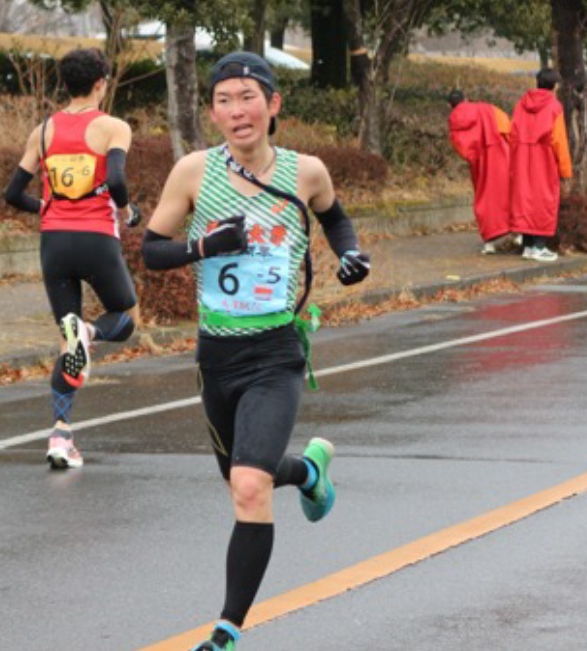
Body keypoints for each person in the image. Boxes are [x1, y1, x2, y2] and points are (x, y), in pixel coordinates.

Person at [141, 52, 370, 650]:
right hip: (216, 357)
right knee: (247, 478)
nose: (237, 110)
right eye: (224, 100)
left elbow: (336, 221)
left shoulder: (307, 172)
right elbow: (150, 250)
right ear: (212, 112)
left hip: (275, 354)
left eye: (248, 97)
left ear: (272, 105)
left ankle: (226, 631)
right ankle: (311, 472)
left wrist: (350, 255)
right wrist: (203, 246)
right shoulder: (192, 173)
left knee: (248, 485)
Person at [4, 47, 140, 469]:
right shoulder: (113, 127)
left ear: (65, 84)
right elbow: (116, 177)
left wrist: (45, 209)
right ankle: (91, 332)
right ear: (101, 83)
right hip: (96, 239)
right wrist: (127, 209)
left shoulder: (42, 131)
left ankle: (60, 436)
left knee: (66, 341)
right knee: (126, 316)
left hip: (54, 243)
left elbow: (12, 194)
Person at [510, 68, 572, 262]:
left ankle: (528, 246)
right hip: (544, 157)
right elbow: (558, 140)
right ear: (554, 85)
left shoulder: (521, 103)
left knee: (524, 199)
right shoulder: (554, 106)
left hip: (521, 155)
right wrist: (564, 168)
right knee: (544, 200)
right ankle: (539, 246)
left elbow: (512, 132)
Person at [447, 89, 512, 254]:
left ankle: (489, 239)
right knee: (508, 191)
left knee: (485, 196)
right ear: (466, 98)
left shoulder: (453, 120)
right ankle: (516, 230)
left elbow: (459, 145)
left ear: (450, 105)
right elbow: (507, 127)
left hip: (479, 161)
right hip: (500, 153)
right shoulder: (487, 108)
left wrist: (472, 156)